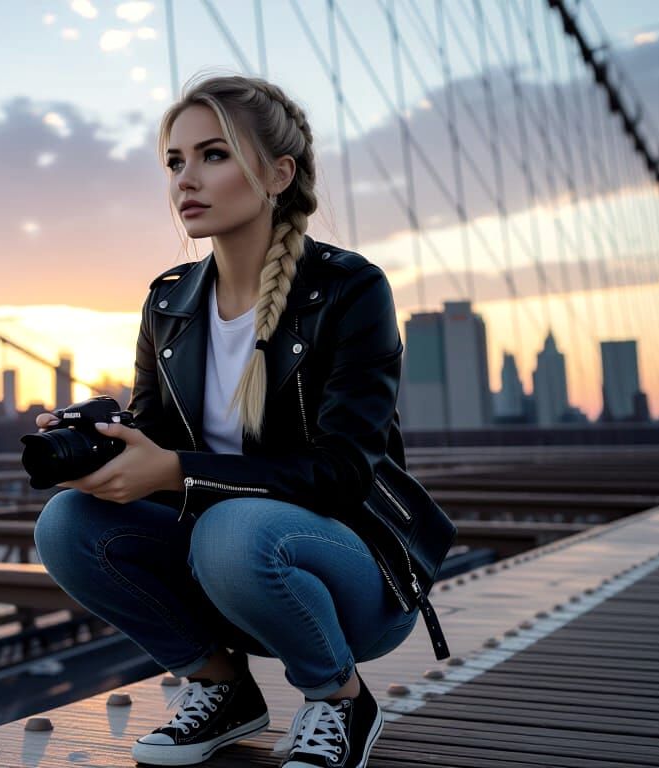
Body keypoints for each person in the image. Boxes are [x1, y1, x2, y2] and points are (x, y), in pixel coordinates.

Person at [31, 73, 417, 768]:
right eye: (175, 162)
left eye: (214, 155)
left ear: (278, 173)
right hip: (230, 572)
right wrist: (104, 445)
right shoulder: (169, 302)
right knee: (65, 521)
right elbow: (160, 433)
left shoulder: (350, 289)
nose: (186, 179)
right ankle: (223, 687)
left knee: (229, 528)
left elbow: (341, 473)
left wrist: (178, 471)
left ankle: (339, 698)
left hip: (353, 578)